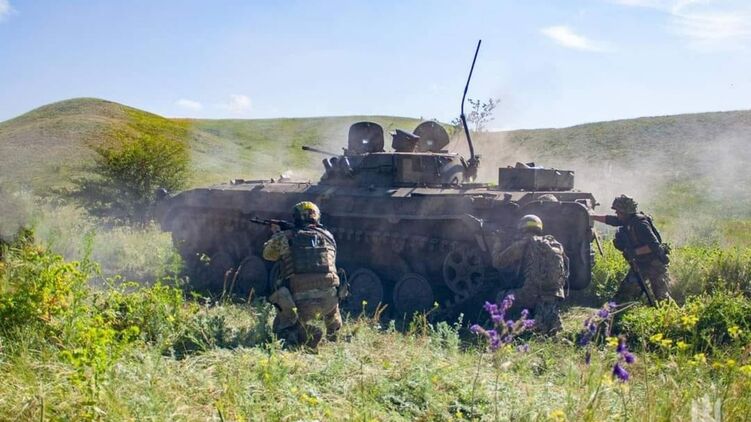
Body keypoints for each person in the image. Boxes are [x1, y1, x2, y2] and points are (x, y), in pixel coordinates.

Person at [262, 201, 342, 348]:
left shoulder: (286, 236)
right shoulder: (328, 236)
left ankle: (303, 333)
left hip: (299, 301)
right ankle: (333, 334)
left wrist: (277, 234)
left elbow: (268, 255)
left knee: (280, 329)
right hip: (329, 301)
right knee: (330, 281)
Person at [491, 214, 569, 334]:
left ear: (522, 229)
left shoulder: (523, 244)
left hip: (531, 293)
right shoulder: (554, 245)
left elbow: (498, 262)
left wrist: (497, 242)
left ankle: (504, 330)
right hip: (555, 295)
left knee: (502, 297)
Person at [591, 194, 672, 303]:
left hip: (655, 264)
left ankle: (671, 313)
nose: (616, 214)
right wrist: (592, 216)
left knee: (662, 298)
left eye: (618, 211)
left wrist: (634, 252)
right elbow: (611, 220)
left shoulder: (640, 224)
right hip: (641, 263)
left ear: (625, 212)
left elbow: (654, 246)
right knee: (624, 293)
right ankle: (614, 311)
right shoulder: (627, 220)